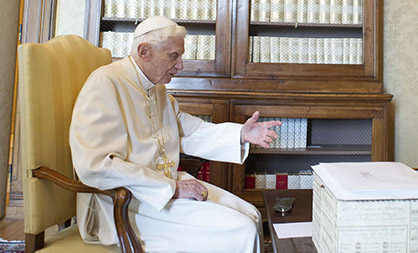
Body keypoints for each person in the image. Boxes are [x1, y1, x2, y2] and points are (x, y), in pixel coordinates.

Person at [69, 16, 281, 252]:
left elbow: (185, 131)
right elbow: (95, 165)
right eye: (174, 56)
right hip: (126, 201)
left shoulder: (155, 88)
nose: (180, 65)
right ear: (144, 51)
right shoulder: (105, 83)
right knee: (241, 229)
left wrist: (241, 134)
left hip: (161, 189)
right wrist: (172, 189)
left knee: (251, 215)